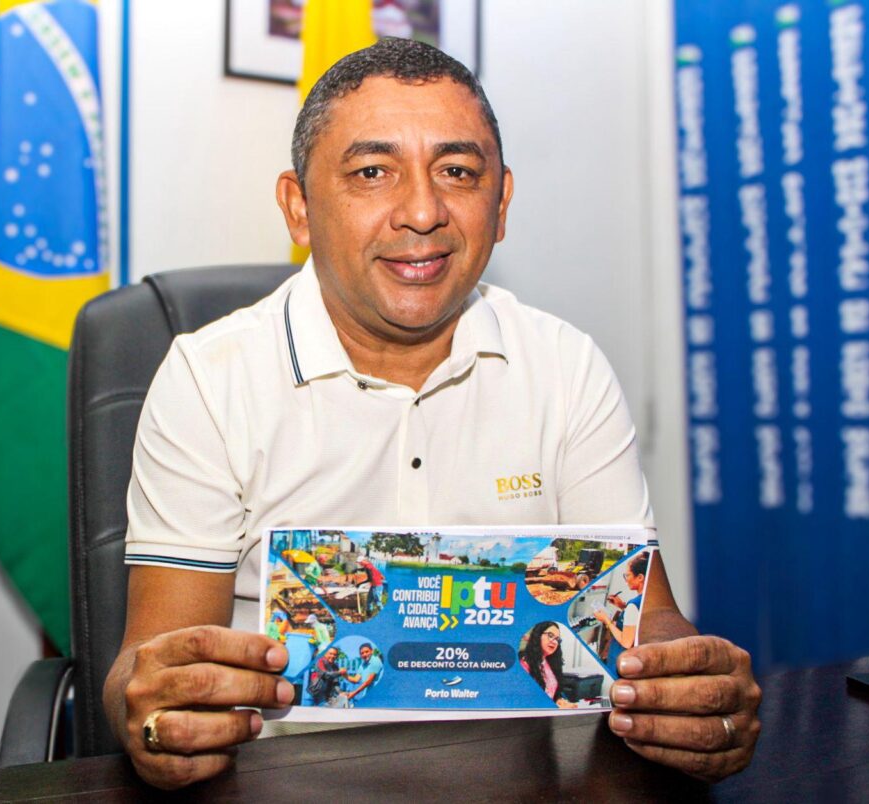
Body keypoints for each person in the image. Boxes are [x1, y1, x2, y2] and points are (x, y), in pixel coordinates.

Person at [103, 38, 761, 789]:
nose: (421, 212)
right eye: (372, 173)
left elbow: (645, 622)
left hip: (520, 785)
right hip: (281, 781)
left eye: (457, 172)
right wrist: (156, 709)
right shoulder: (209, 378)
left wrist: (687, 683)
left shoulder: (565, 365)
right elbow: (146, 663)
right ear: (299, 207)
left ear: (500, 204)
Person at [595, 552, 648, 667]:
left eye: (627, 575)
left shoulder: (633, 605)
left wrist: (606, 621)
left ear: (640, 577)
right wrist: (622, 606)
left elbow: (627, 642)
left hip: (620, 660)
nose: (626, 580)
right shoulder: (647, 599)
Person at [519, 622, 578, 709]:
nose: (554, 642)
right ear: (538, 635)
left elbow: (552, 693)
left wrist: (558, 701)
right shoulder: (524, 664)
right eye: (550, 635)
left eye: (557, 639)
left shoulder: (549, 662)